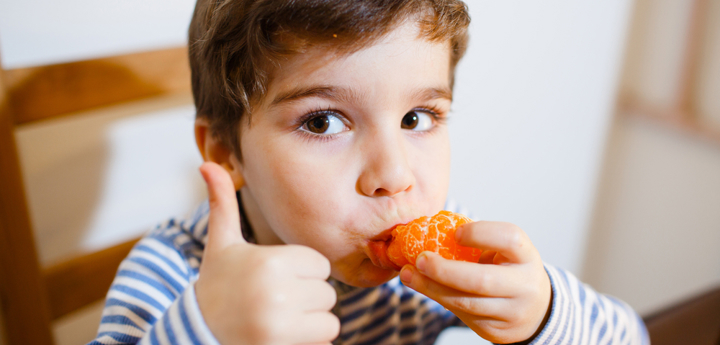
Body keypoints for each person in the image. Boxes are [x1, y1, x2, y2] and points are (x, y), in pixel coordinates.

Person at [89, 0, 649, 344]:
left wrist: (543, 315)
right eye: (324, 121)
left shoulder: (431, 275)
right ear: (225, 152)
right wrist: (204, 333)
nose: (395, 175)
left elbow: (632, 338)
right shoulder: (174, 280)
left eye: (416, 116)